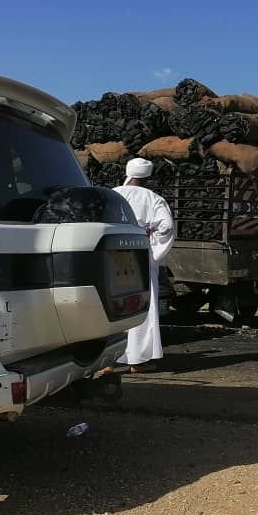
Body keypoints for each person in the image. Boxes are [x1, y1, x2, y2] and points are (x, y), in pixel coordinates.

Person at [111, 158, 175, 373]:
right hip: (139, 254)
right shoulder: (153, 198)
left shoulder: (112, 195)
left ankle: (107, 361)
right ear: (147, 176)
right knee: (140, 306)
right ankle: (136, 361)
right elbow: (166, 227)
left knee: (111, 306)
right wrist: (153, 248)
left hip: (111, 255)